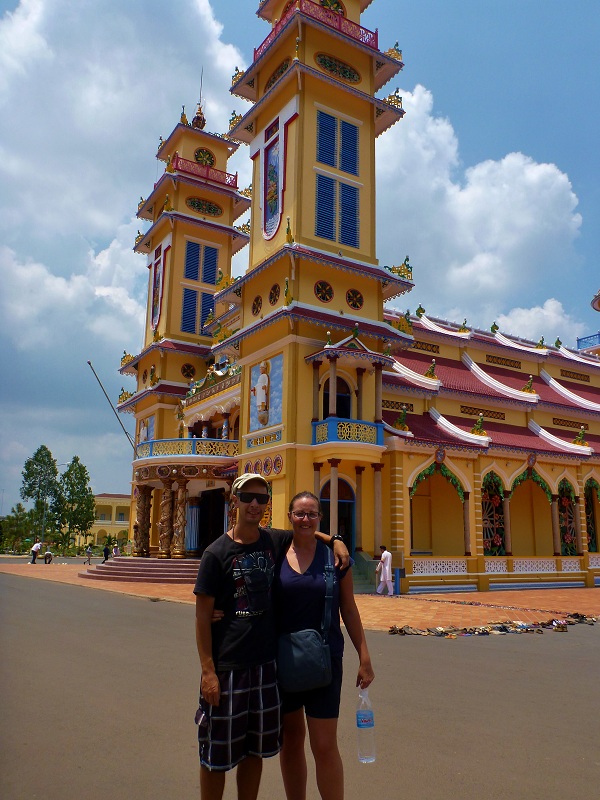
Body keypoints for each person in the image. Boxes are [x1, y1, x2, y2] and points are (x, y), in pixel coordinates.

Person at [194, 473, 348, 800]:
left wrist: (335, 539)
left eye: (261, 499)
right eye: (247, 497)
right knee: (217, 755)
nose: (254, 504)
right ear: (233, 500)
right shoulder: (215, 554)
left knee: (253, 750)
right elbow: (202, 615)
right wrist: (208, 671)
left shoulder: (271, 540)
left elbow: (304, 528)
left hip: (266, 667)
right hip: (229, 666)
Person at [276, 492, 374, 800]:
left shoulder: (335, 558)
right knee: (291, 740)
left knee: (324, 744)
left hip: (325, 659)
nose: (305, 519)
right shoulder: (276, 550)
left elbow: (349, 608)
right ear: (289, 517)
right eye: (299, 514)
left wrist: (365, 655)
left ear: (320, 517)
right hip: (284, 658)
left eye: (312, 514)